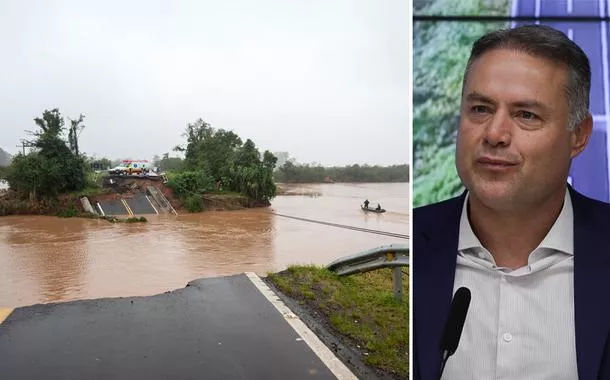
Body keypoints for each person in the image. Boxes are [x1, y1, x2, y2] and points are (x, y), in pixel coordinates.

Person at [413, 25, 610, 380]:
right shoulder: (412, 244)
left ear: (578, 136)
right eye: (480, 109)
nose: (494, 134)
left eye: (526, 115)